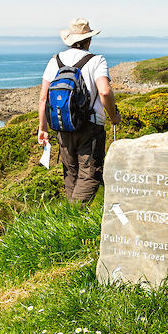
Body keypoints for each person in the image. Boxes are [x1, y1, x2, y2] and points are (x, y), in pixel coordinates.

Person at [37, 18, 121, 203]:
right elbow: (105, 92)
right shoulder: (97, 61)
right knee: (90, 174)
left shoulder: (55, 61)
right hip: (90, 127)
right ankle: (75, 215)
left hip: (62, 125)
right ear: (89, 40)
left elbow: (43, 98)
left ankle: (71, 219)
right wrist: (114, 117)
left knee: (70, 173)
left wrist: (42, 128)